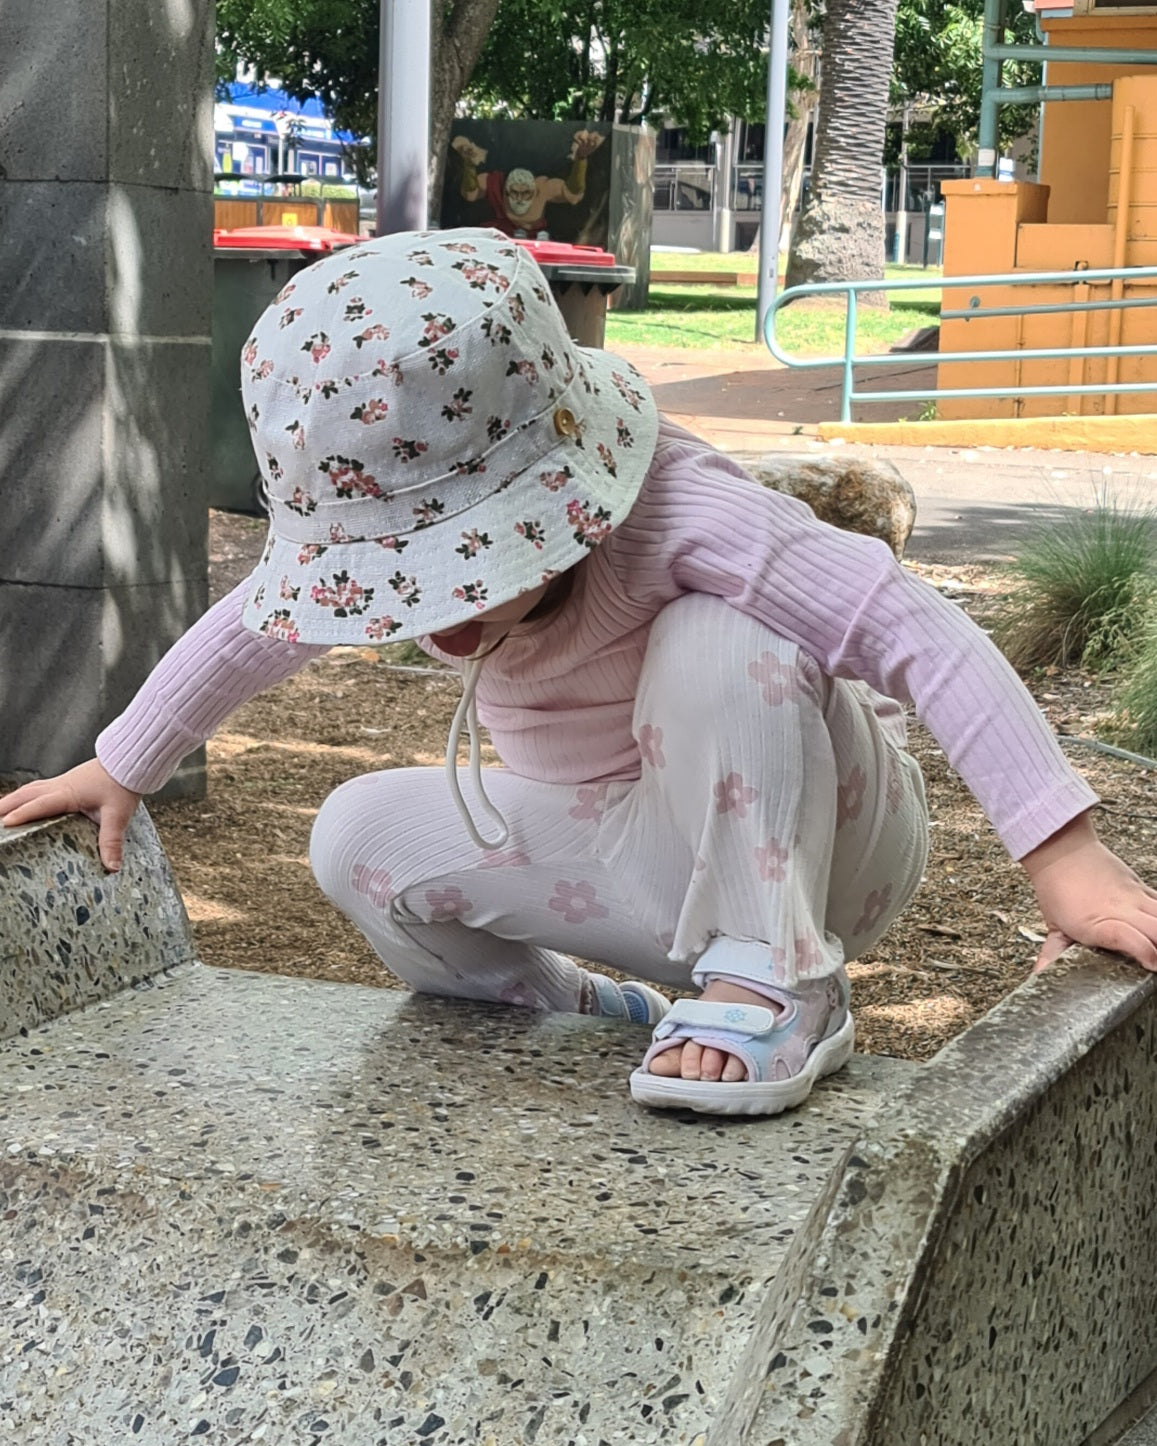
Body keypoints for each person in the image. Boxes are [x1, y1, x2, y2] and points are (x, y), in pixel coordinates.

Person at [4, 227, 1156, 1119]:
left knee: (722, 634)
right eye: (396, 582)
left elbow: (916, 631)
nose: (426, 616)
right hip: (621, 856)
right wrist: (122, 765)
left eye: (448, 573)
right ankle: (580, 1009)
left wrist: (1063, 858)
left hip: (816, 844)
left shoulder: (686, 515)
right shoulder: (389, 556)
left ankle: (780, 979)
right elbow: (254, 628)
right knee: (352, 835)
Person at [451, 131, 605, 238]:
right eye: (514, 192)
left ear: (535, 191)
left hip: (535, 240)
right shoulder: (494, 183)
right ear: (505, 190)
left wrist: (581, 159)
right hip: (498, 236)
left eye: (526, 193)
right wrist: (469, 166)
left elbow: (573, 193)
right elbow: (470, 193)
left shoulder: (543, 187)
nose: (519, 198)